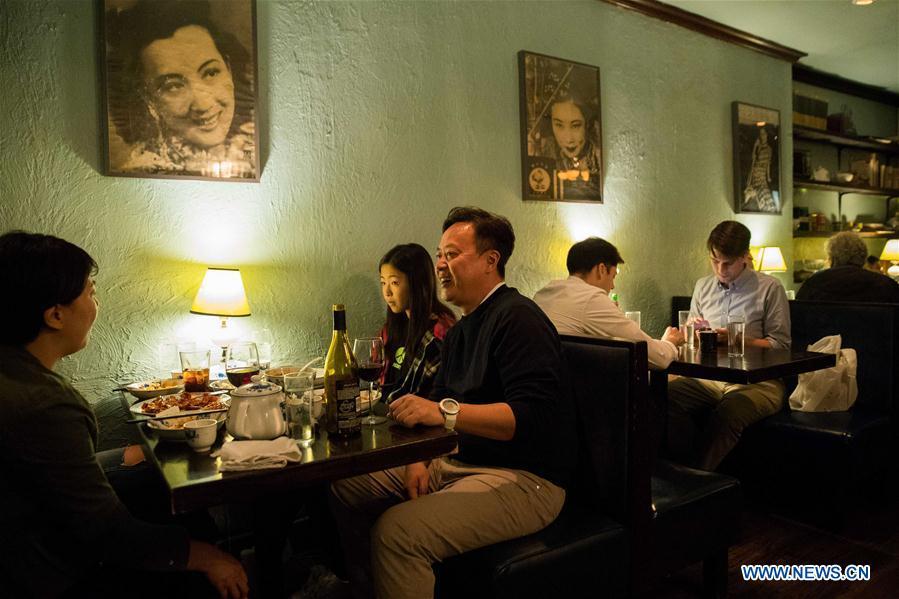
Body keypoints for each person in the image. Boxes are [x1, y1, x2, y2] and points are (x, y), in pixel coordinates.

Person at [331, 207, 575, 599]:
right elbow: (435, 403)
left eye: (453, 255)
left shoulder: (519, 318)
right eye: (439, 255)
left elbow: (531, 417)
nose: (440, 265)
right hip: (458, 463)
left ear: (490, 261)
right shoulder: (462, 329)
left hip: (525, 479)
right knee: (346, 483)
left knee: (397, 534)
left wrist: (444, 414)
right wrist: (416, 460)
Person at [0, 231, 248, 599]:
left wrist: (126, 458)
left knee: (149, 472)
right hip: (44, 573)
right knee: (192, 541)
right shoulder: (47, 404)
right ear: (55, 315)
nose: (96, 303)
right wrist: (206, 557)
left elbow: (48, 474)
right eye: (91, 292)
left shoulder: (14, 370)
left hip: (26, 534)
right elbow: (107, 532)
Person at [667, 221, 791, 471]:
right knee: (660, 396)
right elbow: (691, 338)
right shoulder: (703, 286)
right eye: (715, 261)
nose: (720, 269)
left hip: (760, 382)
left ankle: (698, 481)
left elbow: (781, 346)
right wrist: (693, 334)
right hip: (710, 379)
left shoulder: (769, 288)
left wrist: (734, 338)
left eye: (728, 263)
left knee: (730, 411)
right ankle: (670, 474)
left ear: (745, 256)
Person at [105, 0, 256, 178]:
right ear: (149, 99)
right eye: (174, 86)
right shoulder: (142, 169)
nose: (203, 104)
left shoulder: (255, 149)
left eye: (211, 72)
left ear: (229, 69)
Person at [534, 237, 684, 369]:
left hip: (547, 388)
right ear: (601, 269)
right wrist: (670, 342)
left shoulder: (544, 293)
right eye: (613, 276)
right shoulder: (591, 298)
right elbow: (658, 358)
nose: (612, 286)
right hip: (583, 394)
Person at [378, 243, 456, 402]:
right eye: (383, 283)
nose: (387, 292)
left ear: (416, 283)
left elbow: (435, 397)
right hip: (386, 415)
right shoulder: (390, 329)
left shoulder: (438, 333)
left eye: (394, 283)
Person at [796, 233, 899, 303]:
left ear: (833, 258)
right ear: (863, 258)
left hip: (824, 335)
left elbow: (798, 318)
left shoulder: (813, 284)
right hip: (875, 335)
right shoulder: (886, 285)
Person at [742, 126, 778, 213]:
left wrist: (768, 176)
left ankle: (768, 208)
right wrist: (755, 146)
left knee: (764, 191)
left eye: (764, 134)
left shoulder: (769, 149)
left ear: (766, 135)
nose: (762, 136)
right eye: (761, 134)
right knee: (759, 190)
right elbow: (753, 158)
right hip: (755, 172)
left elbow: (768, 163)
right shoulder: (758, 147)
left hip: (762, 173)